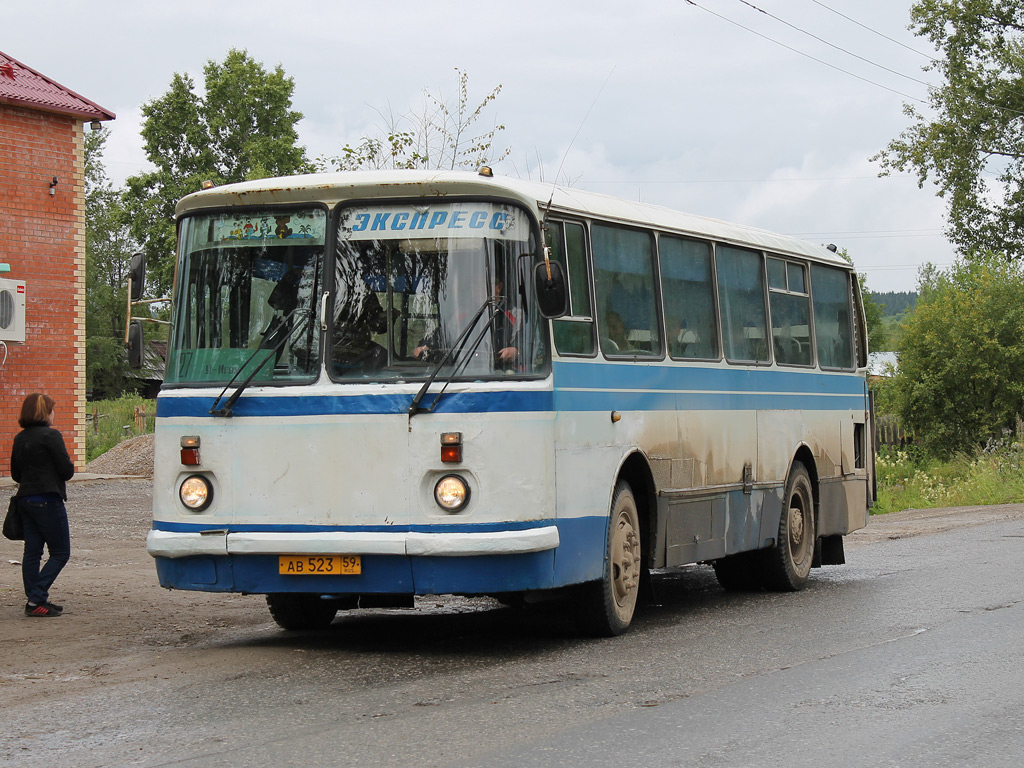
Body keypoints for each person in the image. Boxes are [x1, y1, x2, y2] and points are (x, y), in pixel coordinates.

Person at [9, 393, 75, 617]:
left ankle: (34, 601)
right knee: (60, 552)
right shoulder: (51, 436)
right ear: (44, 412)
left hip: (25, 500)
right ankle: (36, 597)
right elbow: (66, 471)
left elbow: (16, 474)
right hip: (48, 500)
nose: (53, 413)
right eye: (51, 409)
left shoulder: (20, 438)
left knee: (32, 552)